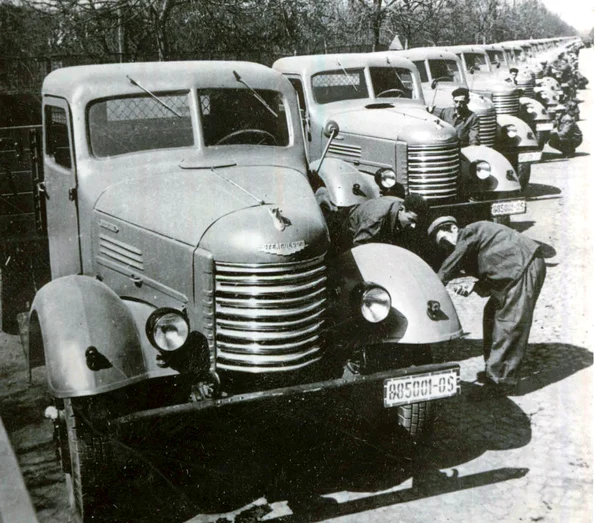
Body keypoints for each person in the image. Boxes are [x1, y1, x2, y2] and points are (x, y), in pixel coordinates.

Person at [427, 216, 546, 396]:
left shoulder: (469, 232)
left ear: (452, 228)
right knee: (491, 314)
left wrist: (435, 284)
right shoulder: (474, 241)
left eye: (444, 240)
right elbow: (491, 266)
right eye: (442, 246)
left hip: (524, 265)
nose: (447, 248)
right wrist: (475, 287)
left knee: (509, 323)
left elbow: (455, 259)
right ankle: (494, 370)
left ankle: (500, 382)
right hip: (512, 270)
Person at [343, 193, 429, 249]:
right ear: (402, 209)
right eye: (410, 220)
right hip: (349, 231)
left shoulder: (404, 208)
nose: (412, 225)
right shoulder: (376, 218)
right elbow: (359, 245)